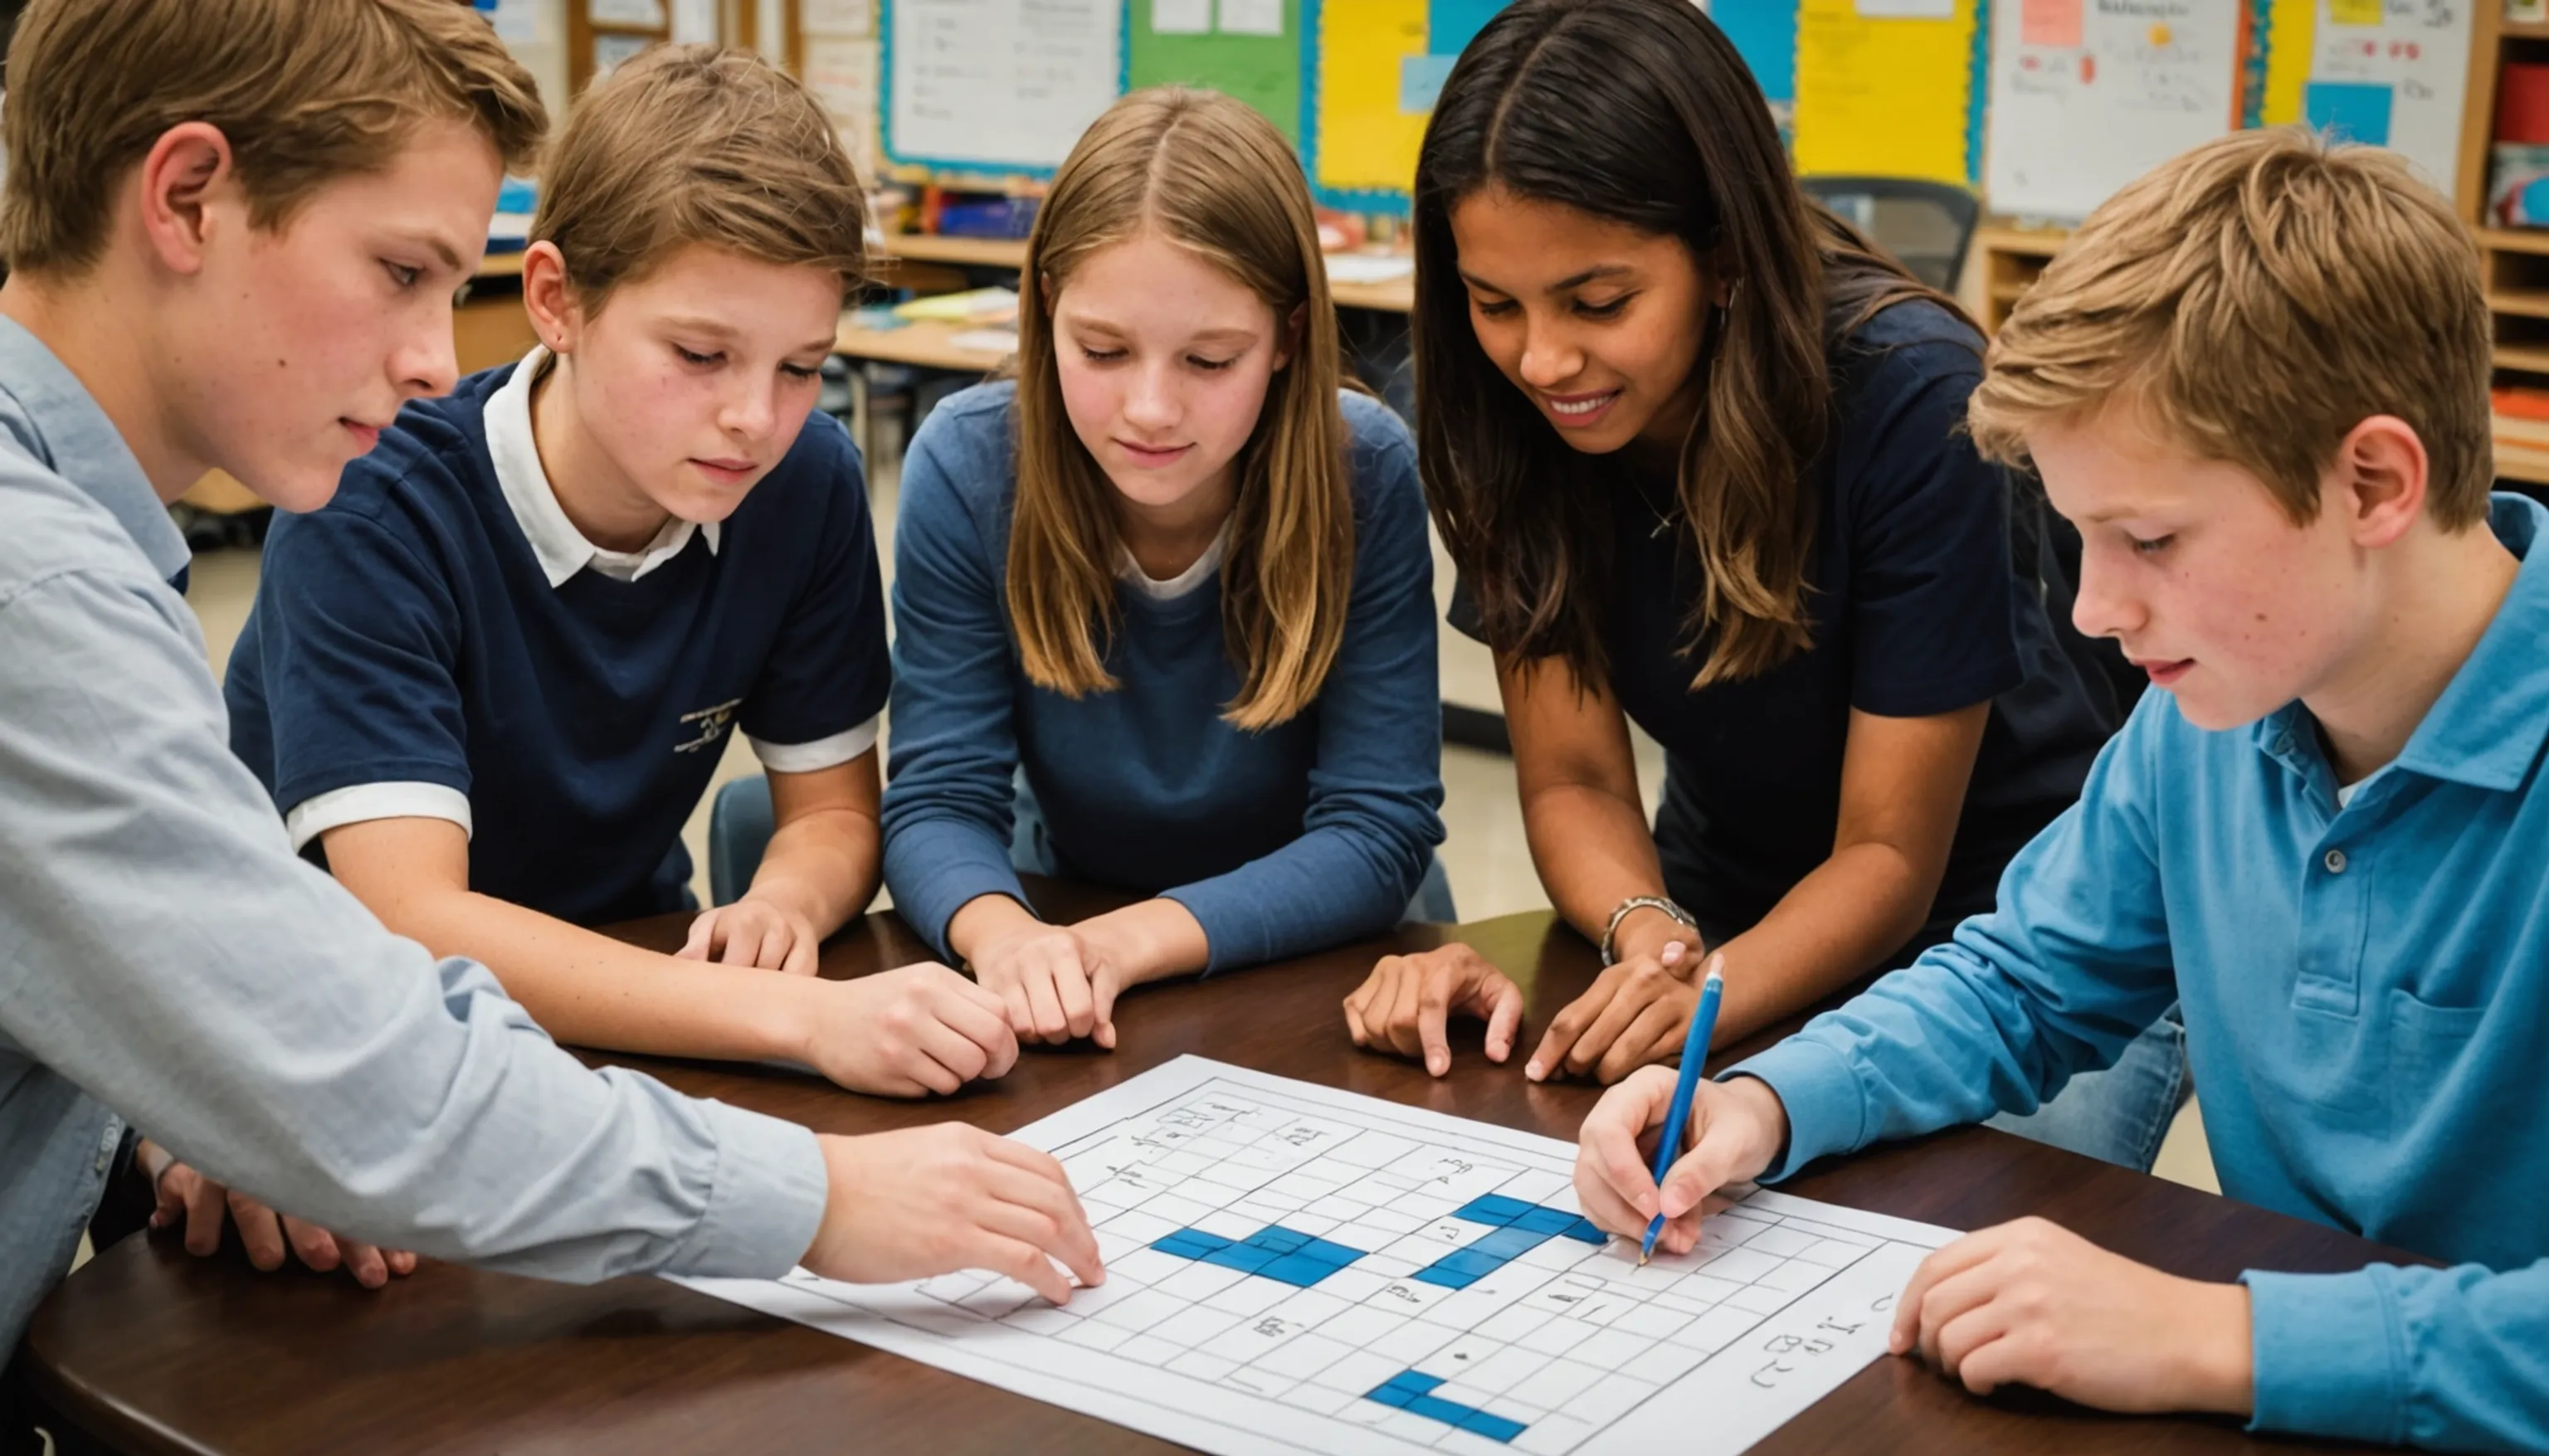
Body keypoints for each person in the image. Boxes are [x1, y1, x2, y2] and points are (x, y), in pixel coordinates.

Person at [0, 4, 1094, 1442]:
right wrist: (820, 1197)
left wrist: (211, 1094)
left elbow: (166, 976)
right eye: (399, 273)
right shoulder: (41, 584)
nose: (425, 360)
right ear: (189, 197)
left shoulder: (89, 544)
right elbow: (353, 1057)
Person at [1575, 128, 2549, 1450]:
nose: (2094, 609)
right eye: (2082, 537)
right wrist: (1765, 1100)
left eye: (2148, 537)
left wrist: (2217, 1333)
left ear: (2374, 481)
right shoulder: (2215, 710)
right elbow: (2022, 982)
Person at [1342, 0, 2173, 1172]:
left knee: (1961, 1233)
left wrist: (1710, 997)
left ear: (1723, 252)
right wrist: (1650, 936)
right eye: (1495, 303)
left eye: (1599, 301)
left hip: (2013, 924)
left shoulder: (1909, 394)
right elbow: (1575, 777)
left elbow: (1889, 856)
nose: (1543, 359)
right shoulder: (1495, 411)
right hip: (1725, 896)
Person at [222, 44, 1011, 1098]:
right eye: (699, 355)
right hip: (332, 1029)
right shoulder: (371, 501)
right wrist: (793, 1012)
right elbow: (412, 919)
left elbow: (831, 815)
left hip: (624, 1000)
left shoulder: (801, 480)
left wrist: (782, 905)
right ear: (558, 300)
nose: (755, 419)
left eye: (802, 367)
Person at [880, 87, 1445, 1049]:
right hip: (1071, 920)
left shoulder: (1368, 469)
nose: (1149, 409)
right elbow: (938, 798)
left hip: (1309, 953)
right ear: (1048, 312)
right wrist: (1007, 936)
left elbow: (1377, 829)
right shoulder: (971, 464)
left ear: (1288, 340)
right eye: (1102, 350)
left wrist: (1126, 943)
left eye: (1210, 361)